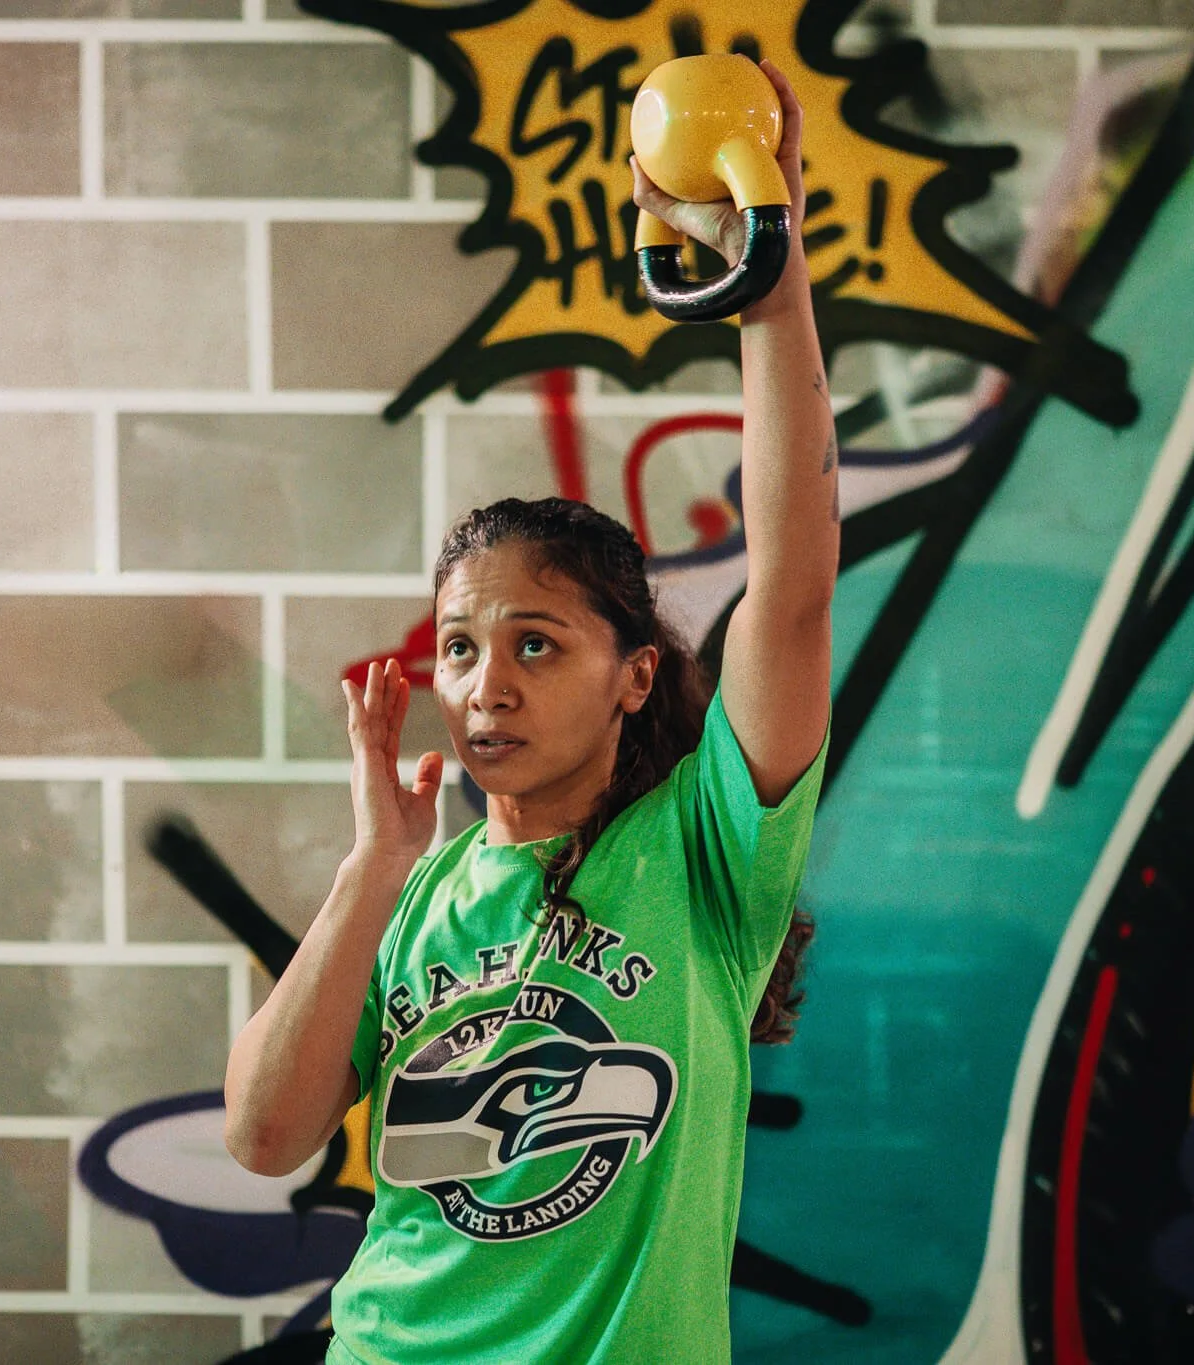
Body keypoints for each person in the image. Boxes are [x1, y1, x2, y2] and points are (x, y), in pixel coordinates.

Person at [222, 57, 839, 1365]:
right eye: (458, 646)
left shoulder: (707, 855)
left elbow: (787, 595)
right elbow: (266, 1139)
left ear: (631, 674)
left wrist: (771, 293)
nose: (483, 684)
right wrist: (373, 871)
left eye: (536, 645)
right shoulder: (419, 892)